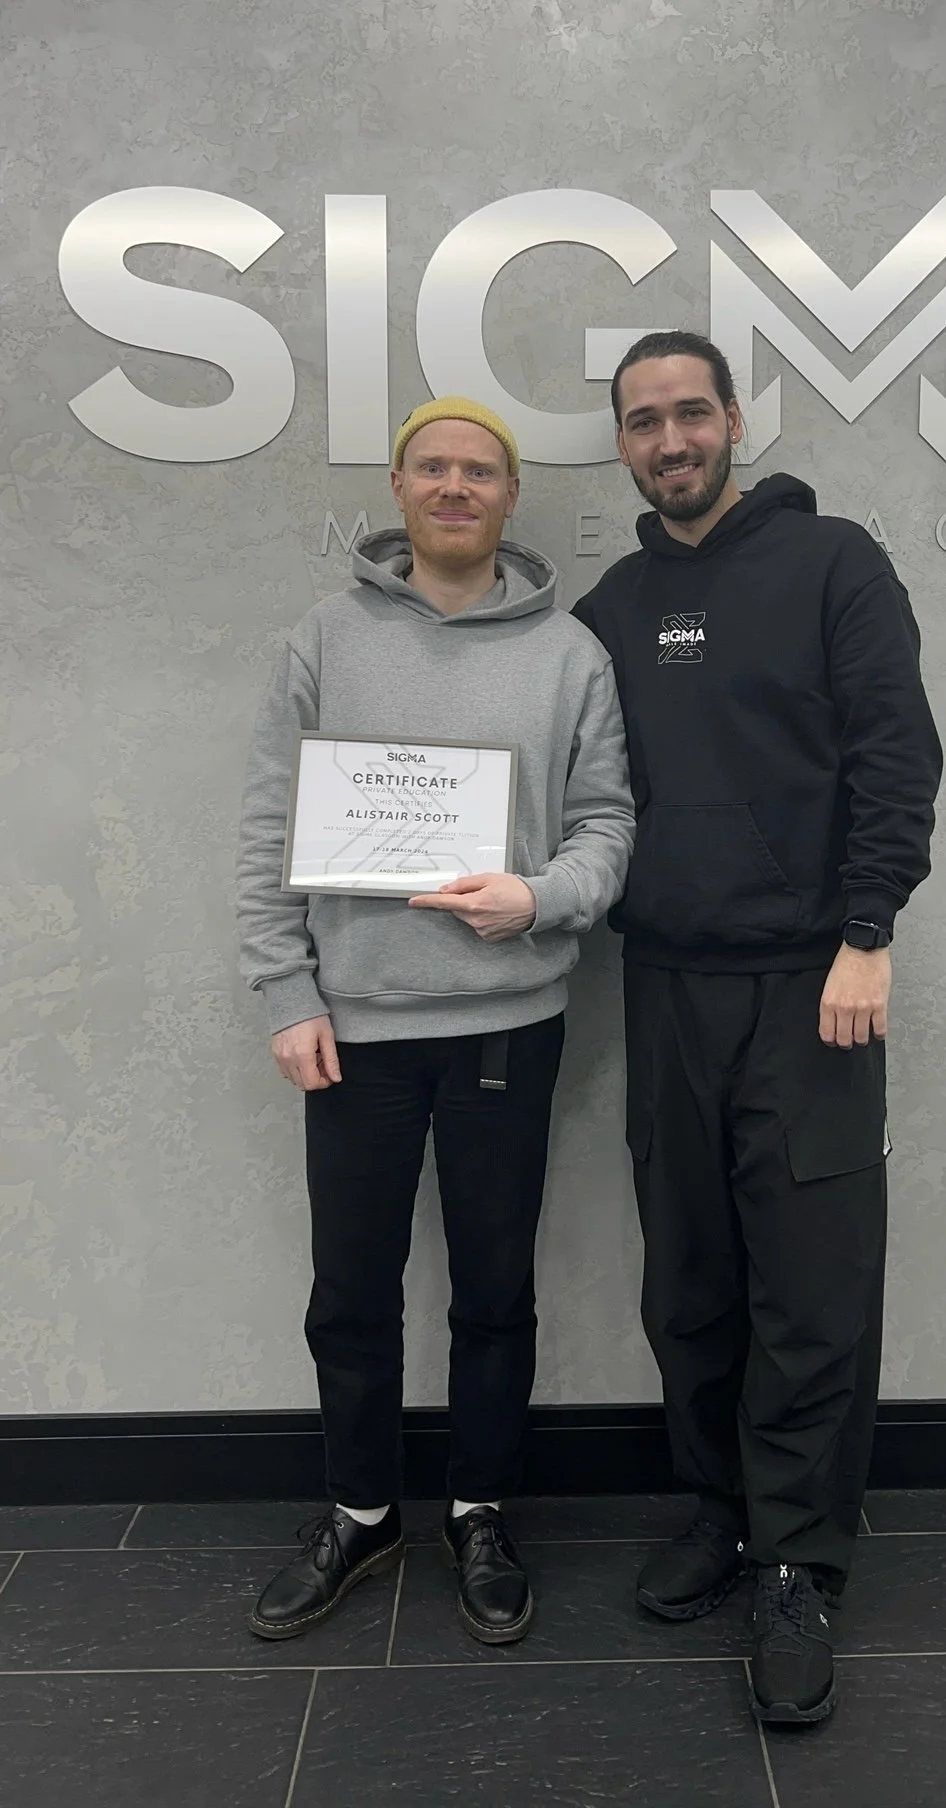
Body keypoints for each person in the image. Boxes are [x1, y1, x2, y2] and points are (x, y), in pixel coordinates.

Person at [573, 332, 942, 1729]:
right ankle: (719, 1513)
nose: (668, 440)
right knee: (692, 1278)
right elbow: (583, 792)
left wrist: (866, 933)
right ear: (621, 444)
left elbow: (895, 751)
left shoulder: (833, 562)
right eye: (641, 422)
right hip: (662, 984)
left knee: (811, 1284)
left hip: (812, 987)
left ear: (732, 419)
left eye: (688, 413)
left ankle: (798, 1561)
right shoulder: (610, 607)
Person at [237, 395, 633, 1647]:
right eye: (433, 467)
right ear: (399, 490)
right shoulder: (323, 636)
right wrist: (287, 989)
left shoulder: (571, 653)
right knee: (348, 1290)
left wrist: (541, 898)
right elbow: (268, 828)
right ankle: (361, 1510)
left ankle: (478, 1507)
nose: (455, 486)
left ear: (510, 497)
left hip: (507, 1024)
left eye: (480, 470)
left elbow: (608, 824)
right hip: (353, 1026)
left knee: (495, 1285)